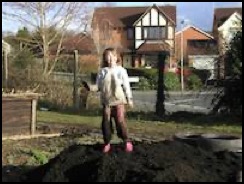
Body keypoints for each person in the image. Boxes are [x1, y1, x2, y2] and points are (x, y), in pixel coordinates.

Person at [88, 47, 134, 153]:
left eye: (111, 56)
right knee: (106, 122)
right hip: (106, 102)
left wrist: (129, 99)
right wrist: (90, 88)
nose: (109, 58)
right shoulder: (102, 72)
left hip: (118, 100)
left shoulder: (121, 71)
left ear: (115, 57)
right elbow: (98, 87)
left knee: (120, 120)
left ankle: (126, 141)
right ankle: (107, 143)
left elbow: (126, 86)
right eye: (106, 56)